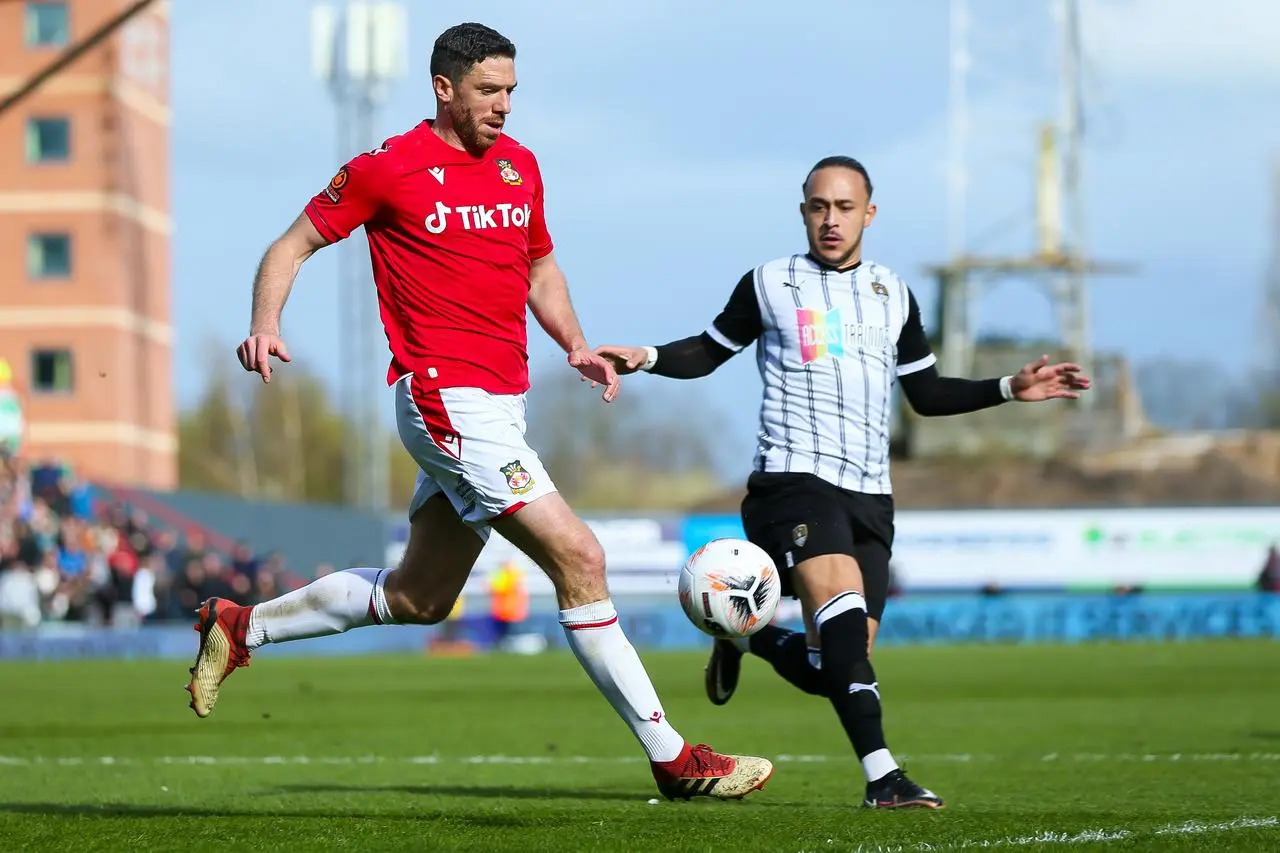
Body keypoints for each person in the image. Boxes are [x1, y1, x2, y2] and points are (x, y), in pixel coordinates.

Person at [184, 22, 773, 802]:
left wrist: (575, 342)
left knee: (419, 598)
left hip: (501, 405)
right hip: (444, 398)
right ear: (444, 88)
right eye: (489, 91)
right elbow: (290, 244)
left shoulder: (518, 169)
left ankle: (239, 626)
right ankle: (676, 760)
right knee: (582, 559)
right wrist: (266, 322)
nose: (503, 107)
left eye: (511, 92)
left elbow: (538, 264)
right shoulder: (385, 169)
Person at [596, 155, 1091, 809]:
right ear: (803, 210)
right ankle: (884, 777)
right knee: (843, 623)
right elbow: (709, 350)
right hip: (792, 482)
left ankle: (743, 633)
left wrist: (1008, 387)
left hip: (870, 495)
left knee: (838, 663)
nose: (831, 220)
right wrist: (650, 358)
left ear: (869, 213)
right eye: (818, 207)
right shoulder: (770, 284)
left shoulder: (894, 293)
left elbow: (928, 393)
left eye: (845, 207)